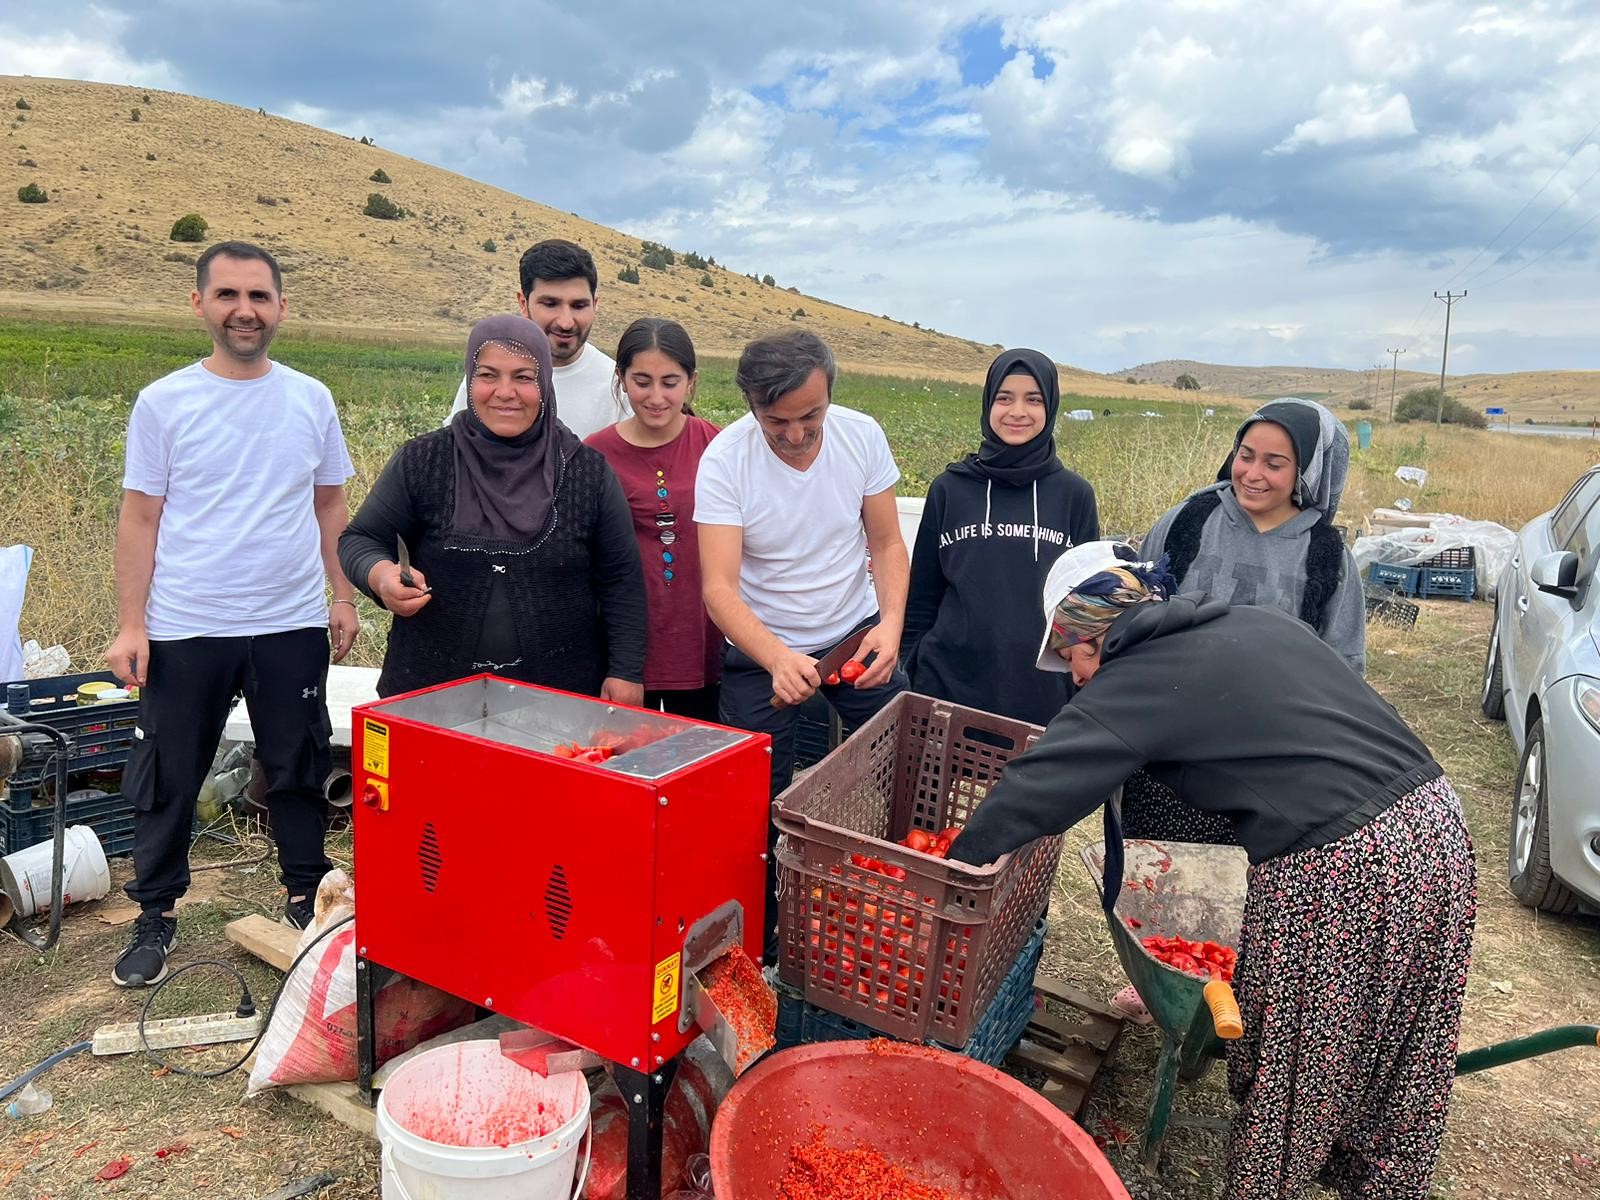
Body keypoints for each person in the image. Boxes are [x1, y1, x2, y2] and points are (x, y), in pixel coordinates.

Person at [947, 541, 1477, 1200]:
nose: (1077, 678)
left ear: (1098, 633)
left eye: (1075, 657)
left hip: (1347, 864)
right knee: (1400, 1054)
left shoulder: (1141, 676)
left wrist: (954, 863)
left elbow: (1040, 786)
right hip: (1440, 833)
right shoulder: (1250, 624)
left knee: (1296, 1069)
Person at [107, 241, 359, 986]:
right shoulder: (164, 402)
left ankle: (303, 896)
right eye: (227, 295)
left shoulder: (310, 398)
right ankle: (156, 913)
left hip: (288, 621)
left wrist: (340, 596)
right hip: (188, 624)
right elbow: (139, 518)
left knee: (298, 763)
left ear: (281, 306)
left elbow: (331, 505)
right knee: (170, 772)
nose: (243, 310)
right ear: (200, 305)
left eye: (258, 296)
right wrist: (131, 623)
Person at [340, 314, 645, 701]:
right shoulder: (424, 461)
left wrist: (625, 671)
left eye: (523, 377)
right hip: (429, 689)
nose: (505, 391)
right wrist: (380, 575)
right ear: (470, 380)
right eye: (488, 375)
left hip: (559, 697)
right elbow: (361, 539)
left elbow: (621, 579)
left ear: (545, 383)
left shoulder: (588, 473)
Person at [1124, 396, 1365, 845]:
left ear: (1306, 472)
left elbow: (1344, 668)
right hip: (1167, 755)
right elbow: (1135, 614)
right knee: (1152, 884)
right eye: (1246, 456)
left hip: (1268, 768)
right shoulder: (1187, 522)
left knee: (1240, 896)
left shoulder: (1326, 557)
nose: (1252, 474)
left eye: (1274, 463)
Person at [697, 329, 910, 796]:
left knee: (905, 766)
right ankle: (772, 869)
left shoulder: (862, 436)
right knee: (754, 794)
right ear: (751, 404)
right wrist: (775, 658)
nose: (794, 435)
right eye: (775, 421)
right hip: (762, 648)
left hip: (855, 634)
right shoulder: (724, 461)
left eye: (811, 416)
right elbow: (718, 588)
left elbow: (888, 542)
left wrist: (891, 624)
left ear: (830, 392)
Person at [900, 348, 1099, 725]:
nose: (1018, 411)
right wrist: (913, 669)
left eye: (1033, 399)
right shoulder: (950, 489)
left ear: (1051, 406)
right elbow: (923, 597)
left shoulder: (1074, 495)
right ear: (988, 402)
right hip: (947, 689)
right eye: (1004, 398)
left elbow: (1087, 608)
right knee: (943, 786)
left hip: (1042, 696)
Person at [585, 319, 723, 721]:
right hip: (626, 649)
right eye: (642, 381)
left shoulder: (716, 445)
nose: (657, 396)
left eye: (670, 382)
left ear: (691, 382)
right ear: (621, 379)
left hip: (702, 640)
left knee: (698, 761)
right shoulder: (594, 455)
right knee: (626, 760)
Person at [444, 239, 628, 439]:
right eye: (550, 304)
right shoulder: (491, 374)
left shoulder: (618, 385)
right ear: (523, 303)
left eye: (579, 306)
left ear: (595, 304)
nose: (566, 322)